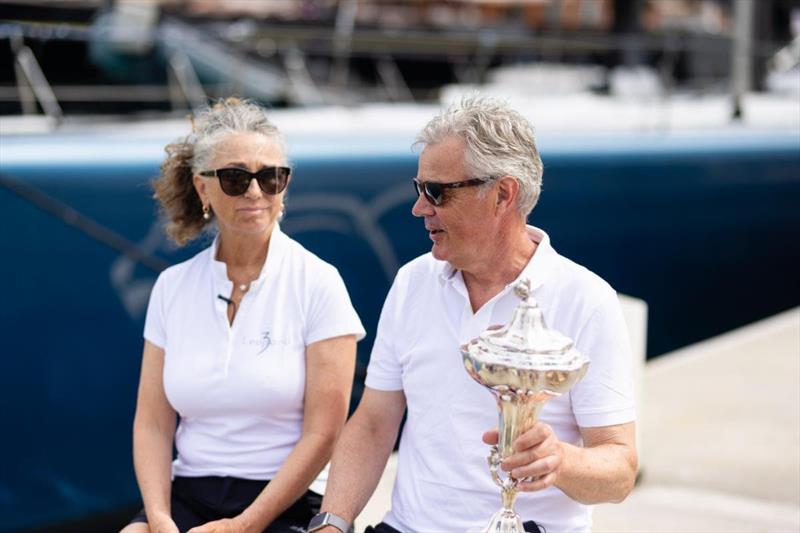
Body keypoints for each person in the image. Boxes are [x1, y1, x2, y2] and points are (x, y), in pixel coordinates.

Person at [310, 96, 637, 533]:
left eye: (437, 192)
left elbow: (619, 470)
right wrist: (331, 523)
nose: (419, 208)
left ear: (502, 194)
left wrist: (560, 460)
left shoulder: (586, 300)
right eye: (418, 188)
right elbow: (373, 422)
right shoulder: (412, 282)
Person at [121, 98, 365, 533]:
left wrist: (246, 524)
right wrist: (158, 518)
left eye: (271, 177)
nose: (255, 192)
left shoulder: (319, 282)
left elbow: (324, 433)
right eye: (235, 178)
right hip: (186, 494)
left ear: (284, 186)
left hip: (286, 500)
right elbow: (153, 423)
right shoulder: (172, 287)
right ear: (203, 189)